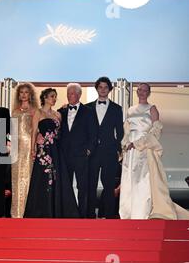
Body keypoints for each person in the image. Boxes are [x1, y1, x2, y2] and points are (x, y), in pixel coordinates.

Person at [119, 83, 189, 220]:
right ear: (137, 91)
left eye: (145, 90)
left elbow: (155, 131)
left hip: (144, 148)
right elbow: (126, 130)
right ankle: (128, 213)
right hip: (130, 150)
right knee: (129, 179)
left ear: (149, 93)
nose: (142, 92)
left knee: (142, 180)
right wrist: (125, 144)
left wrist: (138, 143)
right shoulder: (130, 110)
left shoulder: (152, 108)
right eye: (139, 90)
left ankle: (140, 213)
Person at [24, 88, 80, 218]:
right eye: (51, 96)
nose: (54, 99)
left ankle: (58, 210)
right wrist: (33, 149)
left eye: (55, 97)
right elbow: (33, 132)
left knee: (57, 178)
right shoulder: (38, 112)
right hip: (44, 150)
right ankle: (42, 211)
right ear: (44, 98)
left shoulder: (58, 114)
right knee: (42, 178)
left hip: (56, 151)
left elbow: (60, 133)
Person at [58, 83, 97, 218]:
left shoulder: (89, 111)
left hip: (81, 155)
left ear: (79, 95)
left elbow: (93, 133)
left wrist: (89, 150)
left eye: (73, 93)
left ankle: (83, 215)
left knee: (83, 186)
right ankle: (67, 213)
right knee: (65, 186)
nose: (70, 96)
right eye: (68, 93)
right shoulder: (60, 111)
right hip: (65, 155)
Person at [87, 77, 124, 219]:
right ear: (96, 89)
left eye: (105, 87)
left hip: (109, 152)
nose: (103, 89)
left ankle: (109, 216)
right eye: (100, 87)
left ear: (109, 89)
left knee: (109, 186)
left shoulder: (116, 108)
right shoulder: (87, 107)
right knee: (90, 185)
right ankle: (89, 215)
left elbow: (120, 131)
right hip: (92, 152)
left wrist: (119, 149)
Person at [10, 82, 38, 218]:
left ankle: (27, 212)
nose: (24, 95)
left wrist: (34, 148)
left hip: (29, 146)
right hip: (16, 147)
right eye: (21, 92)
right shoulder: (14, 111)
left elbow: (35, 131)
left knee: (28, 177)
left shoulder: (35, 110)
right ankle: (16, 213)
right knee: (16, 179)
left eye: (26, 92)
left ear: (30, 94)